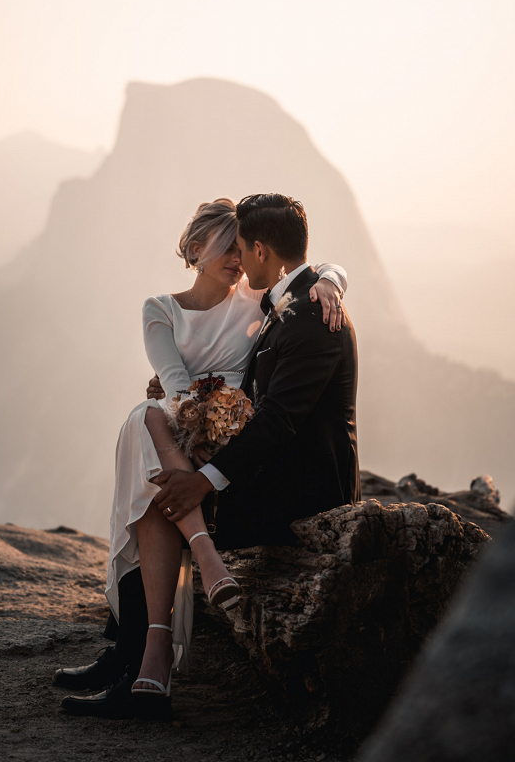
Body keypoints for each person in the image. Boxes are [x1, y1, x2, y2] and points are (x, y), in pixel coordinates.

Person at [58, 196, 351, 717]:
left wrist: (332, 278)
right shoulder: (166, 308)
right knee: (149, 429)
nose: (238, 259)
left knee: (147, 451)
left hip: (237, 451)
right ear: (195, 250)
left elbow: (304, 269)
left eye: (242, 248)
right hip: (187, 431)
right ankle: (146, 642)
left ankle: (139, 658)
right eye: (228, 248)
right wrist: (187, 419)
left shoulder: (266, 305)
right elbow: (175, 390)